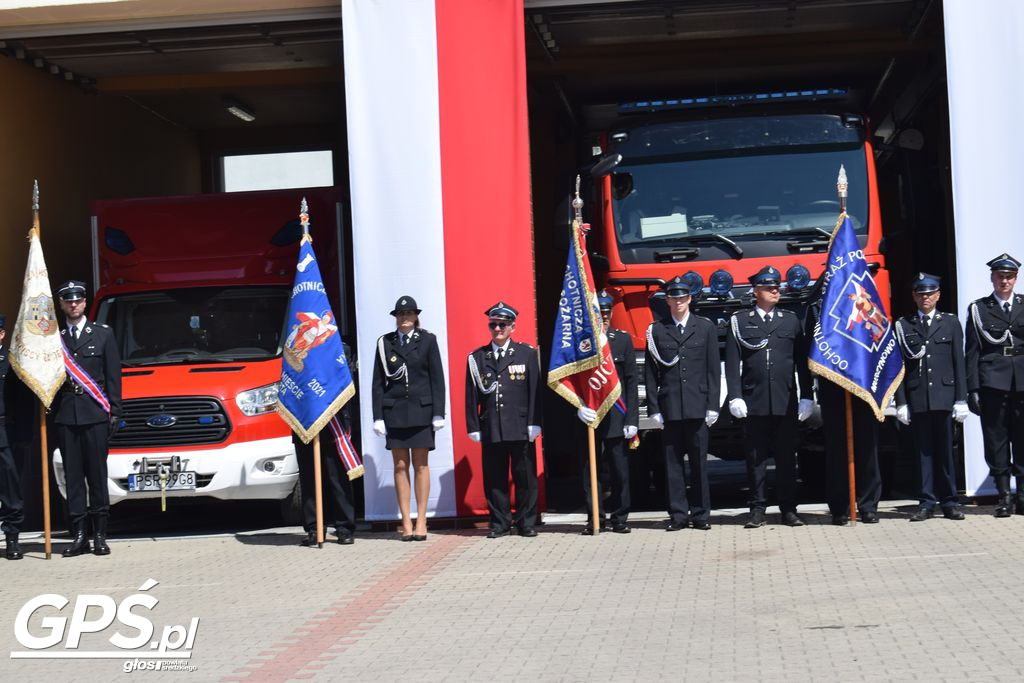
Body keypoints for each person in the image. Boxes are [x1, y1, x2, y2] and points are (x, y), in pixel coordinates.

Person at [726, 266, 815, 528]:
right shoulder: (740, 321)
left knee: (787, 458)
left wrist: (807, 396)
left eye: (777, 287)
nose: (775, 290)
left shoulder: (790, 320)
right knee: (756, 459)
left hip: (785, 400)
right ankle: (757, 508)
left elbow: (802, 362)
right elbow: (733, 363)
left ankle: (789, 509)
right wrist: (735, 396)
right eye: (769, 287)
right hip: (754, 400)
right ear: (756, 291)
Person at [52, 280, 122, 556]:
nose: (73, 305)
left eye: (77, 300)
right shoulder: (55, 340)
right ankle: (79, 534)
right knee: (73, 478)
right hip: (67, 416)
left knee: (96, 475)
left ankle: (100, 535)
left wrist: (115, 411)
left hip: (95, 415)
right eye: (68, 301)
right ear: (61, 305)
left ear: (84, 303)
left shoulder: (103, 335)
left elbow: (113, 377)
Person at [644, 276, 719, 531]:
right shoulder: (656, 330)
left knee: (699, 464)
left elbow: (711, 370)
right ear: (667, 300)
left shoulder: (705, 327)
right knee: (673, 466)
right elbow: (651, 374)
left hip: (698, 406)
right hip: (671, 406)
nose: (678, 302)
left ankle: (701, 515)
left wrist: (713, 405)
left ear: (690, 299)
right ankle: (677, 515)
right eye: (673, 297)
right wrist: (654, 409)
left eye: (682, 297)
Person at [893, 274, 968, 521]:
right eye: (921, 294)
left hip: (945, 397)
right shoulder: (904, 325)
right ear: (914, 296)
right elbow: (900, 367)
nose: (925, 298)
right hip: (918, 397)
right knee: (923, 453)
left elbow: (959, 362)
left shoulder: (950, 323)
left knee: (946, 452)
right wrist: (901, 401)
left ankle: (950, 501)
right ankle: (926, 501)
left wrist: (961, 398)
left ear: (938, 295)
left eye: (930, 293)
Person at [372, 296, 446, 541]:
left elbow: (437, 378)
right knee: (400, 465)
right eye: (400, 314)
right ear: (395, 317)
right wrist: (378, 416)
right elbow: (377, 383)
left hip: (422, 410)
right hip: (395, 412)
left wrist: (438, 412)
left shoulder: (427, 340)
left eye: (409, 313)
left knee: (421, 464)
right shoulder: (385, 343)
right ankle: (406, 521)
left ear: (416, 316)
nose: (404, 318)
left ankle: (422, 519)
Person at [465, 302, 542, 538]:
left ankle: (525, 522)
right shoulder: (478, 357)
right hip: (492, 426)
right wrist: (473, 426)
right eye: (493, 324)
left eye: (502, 324)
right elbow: (470, 395)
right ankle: (499, 522)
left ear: (512, 327)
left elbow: (535, 392)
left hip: (519, 426)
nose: (497, 329)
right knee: (495, 477)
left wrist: (534, 421)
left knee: (525, 476)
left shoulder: (526, 354)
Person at [809, 296, 882, 525]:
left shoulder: (864, 300)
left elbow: (877, 334)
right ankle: (840, 507)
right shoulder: (816, 310)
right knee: (837, 450)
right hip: (832, 385)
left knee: (867, 447)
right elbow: (810, 346)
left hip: (862, 383)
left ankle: (868, 505)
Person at [575, 291, 639, 534]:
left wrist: (632, 419)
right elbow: (572, 381)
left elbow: (631, 383)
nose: (603, 317)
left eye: (606, 313)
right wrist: (578, 408)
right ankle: (595, 519)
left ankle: (620, 517)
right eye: (598, 314)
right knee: (589, 471)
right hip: (589, 416)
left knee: (619, 470)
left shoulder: (622, 340)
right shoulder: (582, 345)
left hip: (616, 415)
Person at [965, 253, 1024, 517]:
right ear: (992, 277)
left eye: (1009, 277)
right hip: (993, 382)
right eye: (1000, 276)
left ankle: (1022, 495)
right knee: (996, 440)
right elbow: (973, 352)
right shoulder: (979, 309)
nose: (1004, 281)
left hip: (1022, 382)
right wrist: (973, 388)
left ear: (1016, 278)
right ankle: (1004, 496)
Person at [294, 340, 358, 546]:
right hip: (305, 419)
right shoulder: (294, 350)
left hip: (333, 419)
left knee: (337, 476)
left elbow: (346, 382)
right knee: (309, 477)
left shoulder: (340, 348)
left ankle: (344, 528)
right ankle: (314, 528)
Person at [0, 313, 25, 560]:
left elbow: (21, 403)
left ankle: (12, 539)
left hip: (4, 432)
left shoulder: (11, 363)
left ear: (2, 334)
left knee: (10, 491)